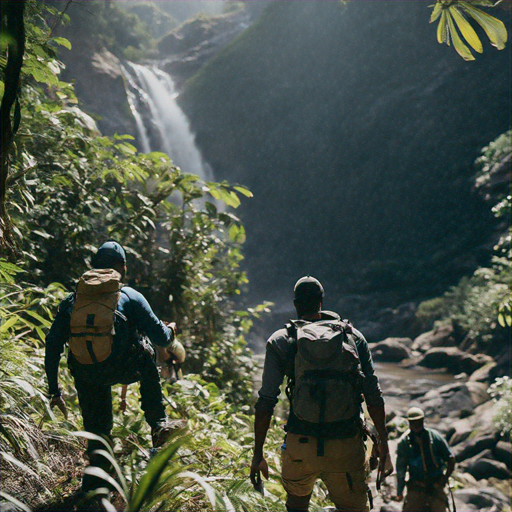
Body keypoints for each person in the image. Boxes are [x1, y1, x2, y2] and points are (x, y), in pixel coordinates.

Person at [45, 241, 185, 491]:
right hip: (124, 367)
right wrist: (172, 331)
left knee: (98, 428)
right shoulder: (130, 296)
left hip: (87, 372)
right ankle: (158, 422)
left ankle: (95, 485)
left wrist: (55, 391)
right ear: (122, 267)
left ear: (94, 267)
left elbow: (52, 344)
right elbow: (161, 338)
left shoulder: (73, 300)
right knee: (148, 353)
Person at [250, 276, 390, 512]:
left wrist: (257, 455)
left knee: (297, 505)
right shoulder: (353, 337)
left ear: (296, 304)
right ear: (321, 302)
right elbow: (373, 395)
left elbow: (266, 402)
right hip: (345, 445)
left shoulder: (282, 340)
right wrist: (383, 443)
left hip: (300, 447)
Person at [395, 407, 456, 512]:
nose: (417, 425)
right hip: (416, 485)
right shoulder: (404, 443)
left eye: (419, 422)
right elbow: (401, 469)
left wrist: (444, 479)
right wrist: (399, 492)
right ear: (409, 423)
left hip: (436, 484)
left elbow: (450, 459)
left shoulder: (435, 438)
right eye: (413, 422)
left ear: (423, 421)